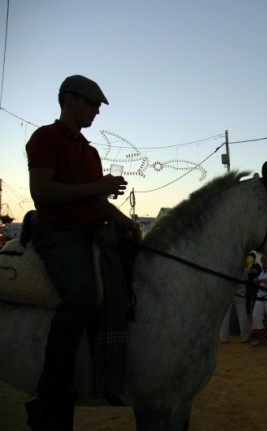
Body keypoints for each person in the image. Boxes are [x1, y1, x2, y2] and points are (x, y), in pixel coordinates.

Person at [24, 75, 140, 430]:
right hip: (60, 232)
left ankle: (108, 372)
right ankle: (52, 393)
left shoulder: (90, 151)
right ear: (69, 99)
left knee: (133, 282)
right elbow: (42, 192)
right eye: (91, 104)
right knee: (81, 294)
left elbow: (96, 199)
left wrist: (124, 220)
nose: (96, 111)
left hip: (93, 229)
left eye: (98, 106)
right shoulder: (45, 137)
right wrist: (99, 186)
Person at [219, 253, 255, 344]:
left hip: (229, 294)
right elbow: (246, 279)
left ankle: (224, 337)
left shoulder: (228, 268)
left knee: (225, 317)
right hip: (241, 294)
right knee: (242, 316)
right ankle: (245, 337)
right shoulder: (243, 268)